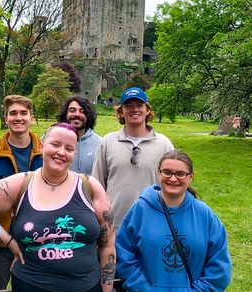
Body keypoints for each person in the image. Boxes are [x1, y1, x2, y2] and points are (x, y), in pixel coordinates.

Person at [0, 123, 116, 292]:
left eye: (69, 148)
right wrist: (10, 242)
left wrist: (106, 289)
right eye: (55, 145)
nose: (61, 152)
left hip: (86, 286)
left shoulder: (89, 187)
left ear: (74, 153)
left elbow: (107, 245)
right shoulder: (20, 184)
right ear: (42, 147)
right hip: (31, 284)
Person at [116, 150, 232, 291]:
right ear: (159, 173)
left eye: (180, 174)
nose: (173, 178)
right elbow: (123, 254)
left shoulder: (205, 215)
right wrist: (143, 289)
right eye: (167, 172)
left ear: (191, 177)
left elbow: (219, 266)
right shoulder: (140, 209)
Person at [0, 95, 43, 290]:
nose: (18, 118)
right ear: (5, 118)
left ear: (32, 118)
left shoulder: (46, 152)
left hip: (36, 240)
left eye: (24, 113)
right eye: (12, 113)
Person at [91, 87, 174, 230]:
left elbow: (173, 185)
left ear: (147, 109)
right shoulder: (108, 142)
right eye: (128, 106)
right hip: (115, 226)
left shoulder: (164, 144)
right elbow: (97, 184)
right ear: (121, 111)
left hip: (154, 224)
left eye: (139, 105)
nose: (134, 109)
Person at [58, 95, 101, 174]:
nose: (77, 114)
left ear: (88, 116)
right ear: (65, 113)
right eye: (72, 110)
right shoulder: (50, 140)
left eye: (82, 111)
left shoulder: (101, 144)